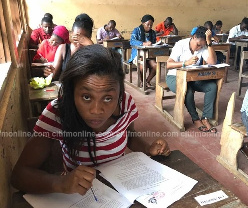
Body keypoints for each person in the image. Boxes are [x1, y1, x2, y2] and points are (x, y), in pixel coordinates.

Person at [11, 44, 170, 194]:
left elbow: (129, 135)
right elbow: (19, 176)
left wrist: (148, 148)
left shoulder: (125, 103)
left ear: (119, 93)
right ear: (72, 92)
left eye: (108, 98)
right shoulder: (58, 112)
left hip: (120, 189)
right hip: (80, 194)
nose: (96, 110)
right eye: (86, 97)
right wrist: (61, 183)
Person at [166, 26, 217, 133]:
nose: (198, 48)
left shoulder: (203, 46)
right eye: (198, 45)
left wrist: (209, 43)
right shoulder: (181, 44)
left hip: (192, 78)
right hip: (174, 77)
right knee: (187, 91)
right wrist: (185, 63)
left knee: (212, 86)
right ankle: (195, 119)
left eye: (202, 46)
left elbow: (212, 62)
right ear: (193, 37)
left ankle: (205, 117)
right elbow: (169, 64)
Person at [44, 13, 94, 80]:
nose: (78, 43)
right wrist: (51, 72)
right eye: (76, 38)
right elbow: (54, 74)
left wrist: (91, 45)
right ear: (71, 34)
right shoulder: (63, 49)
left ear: (89, 38)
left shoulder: (92, 51)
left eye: (83, 39)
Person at [129, 14, 157, 88]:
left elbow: (154, 43)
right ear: (143, 23)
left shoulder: (153, 32)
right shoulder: (136, 30)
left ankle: (146, 81)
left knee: (156, 66)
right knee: (143, 65)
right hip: (138, 54)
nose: (149, 26)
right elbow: (132, 41)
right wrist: (143, 43)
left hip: (149, 55)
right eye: (148, 24)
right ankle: (142, 81)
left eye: (151, 25)